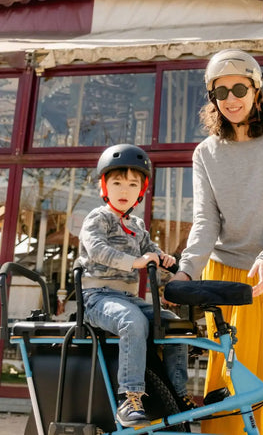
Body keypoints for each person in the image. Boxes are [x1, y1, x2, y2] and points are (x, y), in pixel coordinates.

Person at [171, 49, 263, 434]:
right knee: (225, 382)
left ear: (256, 89)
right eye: (221, 91)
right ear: (212, 98)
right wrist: (186, 271)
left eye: (239, 88)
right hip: (225, 276)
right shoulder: (205, 153)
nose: (231, 99)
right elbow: (206, 221)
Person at [77, 144, 193, 428]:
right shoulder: (98, 218)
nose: (124, 190)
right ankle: (129, 398)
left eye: (132, 184)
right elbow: (98, 251)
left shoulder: (137, 225)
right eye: (117, 182)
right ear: (104, 185)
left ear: (141, 190)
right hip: (97, 297)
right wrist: (136, 262)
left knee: (174, 324)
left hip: (127, 298)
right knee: (132, 322)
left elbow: (150, 250)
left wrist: (163, 258)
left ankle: (177, 395)